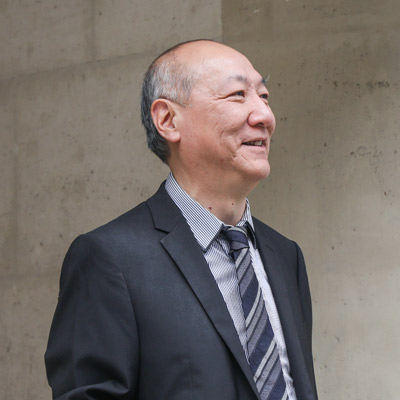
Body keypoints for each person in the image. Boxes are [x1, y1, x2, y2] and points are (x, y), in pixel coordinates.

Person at [45, 39, 318, 400]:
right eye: (238, 95)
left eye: (264, 96)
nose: (264, 117)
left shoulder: (285, 256)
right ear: (168, 120)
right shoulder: (110, 259)